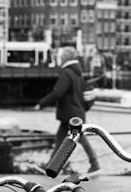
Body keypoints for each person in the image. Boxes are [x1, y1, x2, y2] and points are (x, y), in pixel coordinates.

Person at [34, 46, 101, 176]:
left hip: (70, 114)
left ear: (65, 58)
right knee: (59, 140)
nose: (59, 59)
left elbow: (58, 92)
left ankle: (95, 164)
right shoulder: (78, 73)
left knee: (79, 138)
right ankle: (51, 167)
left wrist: (41, 103)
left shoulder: (66, 73)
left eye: (61, 57)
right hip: (75, 112)